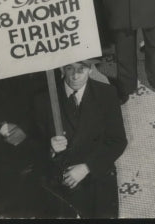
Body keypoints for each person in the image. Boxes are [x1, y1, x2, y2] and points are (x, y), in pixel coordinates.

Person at [34, 60, 127, 219]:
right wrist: (49, 147)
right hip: (59, 173)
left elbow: (118, 141)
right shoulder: (44, 98)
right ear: (62, 68)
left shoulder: (107, 94)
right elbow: (33, 140)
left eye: (81, 69)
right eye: (70, 68)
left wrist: (86, 167)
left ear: (91, 69)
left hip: (96, 169)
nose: (75, 75)